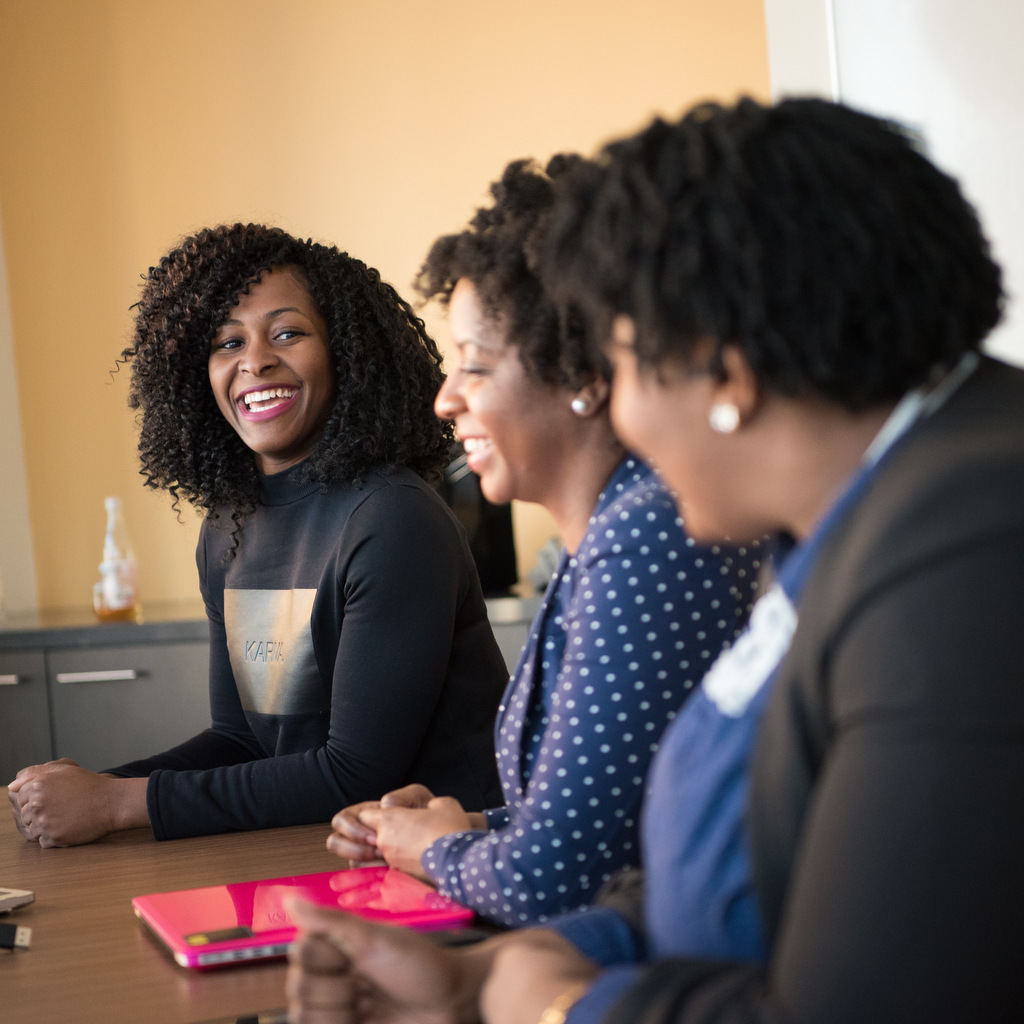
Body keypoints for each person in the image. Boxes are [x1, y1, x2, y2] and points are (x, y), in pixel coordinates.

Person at [283, 97, 1024, 1024]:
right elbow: (741, 856)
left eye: (623, 364)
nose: (619, 415)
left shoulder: (969, 553)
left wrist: (558, 1006)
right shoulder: (852, 519)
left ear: (726, 371)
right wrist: (514, 966)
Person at [326, 157, 762, 927]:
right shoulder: (609, 533)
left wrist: (434, 852)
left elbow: (552, 882)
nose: (445, 397)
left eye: (475, 366)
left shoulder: (646, 539)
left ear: (583, 376)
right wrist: (455, 830)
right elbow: (608, 826)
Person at [8, 223, 509, 847]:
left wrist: (116, 803)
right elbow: (241, 741)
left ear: (345, 353)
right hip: (310, 847)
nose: (255, 360)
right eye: (226, 342)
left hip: (446, 869)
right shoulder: (227, 525)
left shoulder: (392, 517)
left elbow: (354, 772)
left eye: (288, 333)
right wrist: (92, 789)